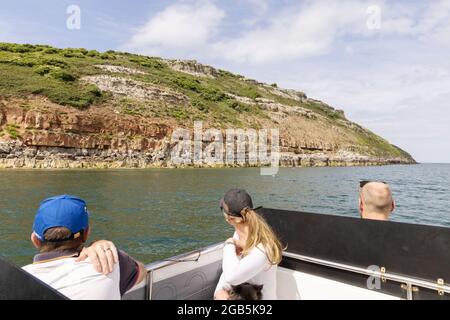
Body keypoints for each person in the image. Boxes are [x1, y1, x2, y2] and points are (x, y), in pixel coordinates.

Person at [22, 194, 146, 299]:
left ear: (35, 240)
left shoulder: (14, 280)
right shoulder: (110, 263)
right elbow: (142, 271)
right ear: (86, 234)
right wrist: (98, 245)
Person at [214, 189, 283, 300]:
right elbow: (225, 281)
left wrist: (229, 243)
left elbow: (232, 277)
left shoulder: (263, 247)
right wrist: (221, 294)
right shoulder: (237, 235)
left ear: (229, 218)